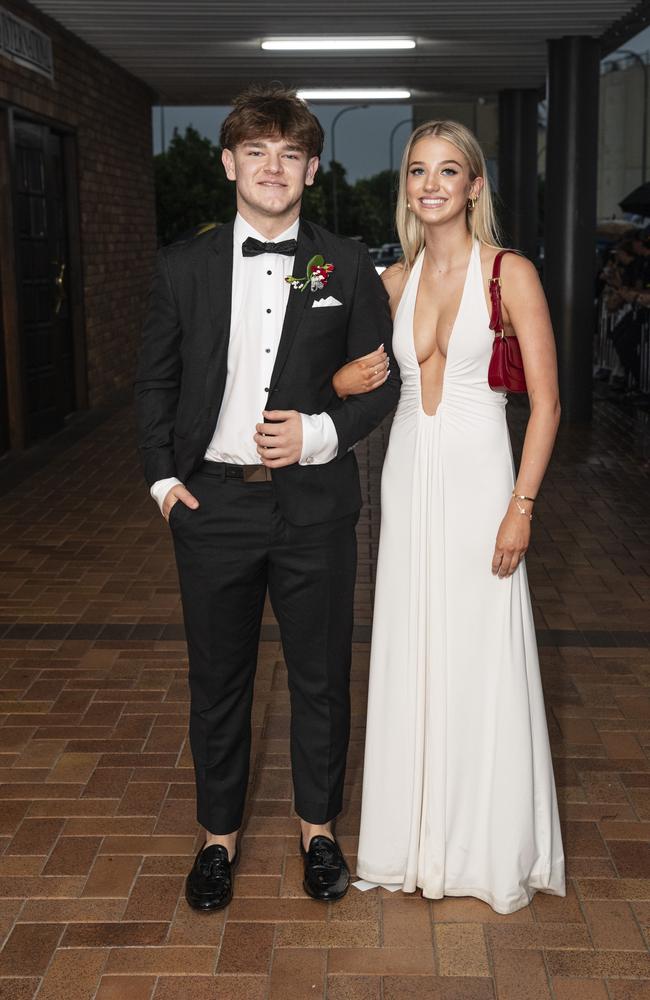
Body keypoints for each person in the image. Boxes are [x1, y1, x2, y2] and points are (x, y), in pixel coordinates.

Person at [134, 84, 399, 911]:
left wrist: (319, 432)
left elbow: (383, 386)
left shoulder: (345, 263)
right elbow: (155, 383)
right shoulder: (184, 264)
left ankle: (318, 830)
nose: (273, 168)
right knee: (218, 681)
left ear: (312, 169)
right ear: (229, 163)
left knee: (322, 676)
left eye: (289, 154)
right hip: (212, 508)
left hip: (316, 506)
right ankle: (218, 840)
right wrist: (164, 486)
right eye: (257, 152)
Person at [339, 120, 565, 914]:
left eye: (447, 170)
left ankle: (481, 843)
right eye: (416, 171)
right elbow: (351, 372)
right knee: (411, 643)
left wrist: (522, 507)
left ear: (474, 185)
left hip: (481, 478)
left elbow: (546, 404)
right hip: (407, 474)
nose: (430, 184)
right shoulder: (392, 283)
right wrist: (339, 377)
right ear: (405, 187)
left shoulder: (512, 274)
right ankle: (409, 841)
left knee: (479, 648)